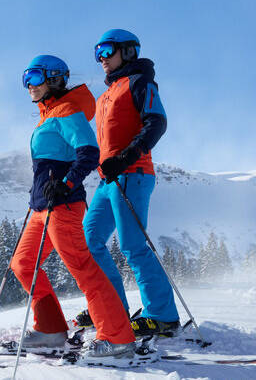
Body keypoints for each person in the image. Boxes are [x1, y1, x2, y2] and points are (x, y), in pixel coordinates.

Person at [11, 55, 135, 357]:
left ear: (54, 79)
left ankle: (118, 338)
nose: (30, 85)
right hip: (42, 208)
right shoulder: (48, 113)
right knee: (23, 264)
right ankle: (51, 329)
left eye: (36, 77)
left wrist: (65, 183)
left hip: (63, 207)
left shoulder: (67, 110)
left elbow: (89, 153)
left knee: (83, 270)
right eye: (26, 78)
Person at [78, 29, 179, 337]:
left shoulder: (140, 82)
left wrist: (126, 157)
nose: (102, 58)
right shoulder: (106, 95)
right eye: (98, 53)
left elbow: (156, 122)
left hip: (133, 173)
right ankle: (112, 308)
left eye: (107, 50)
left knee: (132, 245)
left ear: (128, 51)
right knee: (90, 239)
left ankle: (162, 315)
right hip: (108, 180)